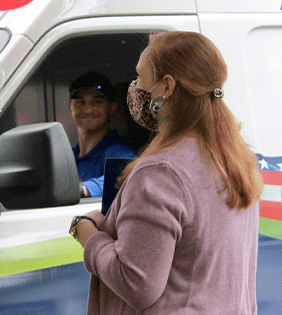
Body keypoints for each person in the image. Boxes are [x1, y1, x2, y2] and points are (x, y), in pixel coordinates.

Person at [69, 32, 262, 314]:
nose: (134, 87)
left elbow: (136, 283)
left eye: (140, 76)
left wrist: (87, 232)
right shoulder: (234, 158)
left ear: (166, 87)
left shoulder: (161, 172)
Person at [68, 71, 137, 198]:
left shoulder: (121, 152)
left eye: (97, 101)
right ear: (70, 107)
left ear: (112, 107)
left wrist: (84, 188)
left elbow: (126, 178)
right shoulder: (66, 159)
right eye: (80, 102)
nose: (88, 110)